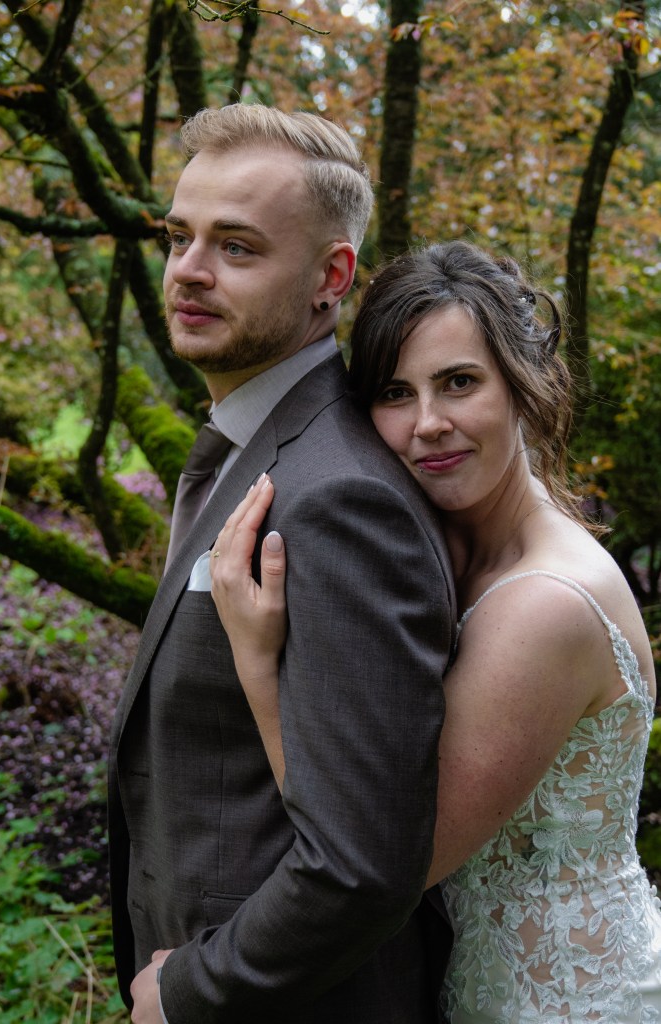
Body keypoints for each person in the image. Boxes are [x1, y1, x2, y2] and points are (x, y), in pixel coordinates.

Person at [210, 240, 661, 1023]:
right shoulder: (458, 554)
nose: (427, 424)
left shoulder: (545, 605)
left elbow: (388, 861)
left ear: (523, 383)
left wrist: (256, 663)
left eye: (458, 382)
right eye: (395, 392)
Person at [107, 103, 457, 1024]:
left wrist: (188, 993)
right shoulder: (250, 451)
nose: (188, 269)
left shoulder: (339, 497)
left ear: (329, 278)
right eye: (179, 236)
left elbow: (363, 861)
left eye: (236, 247)